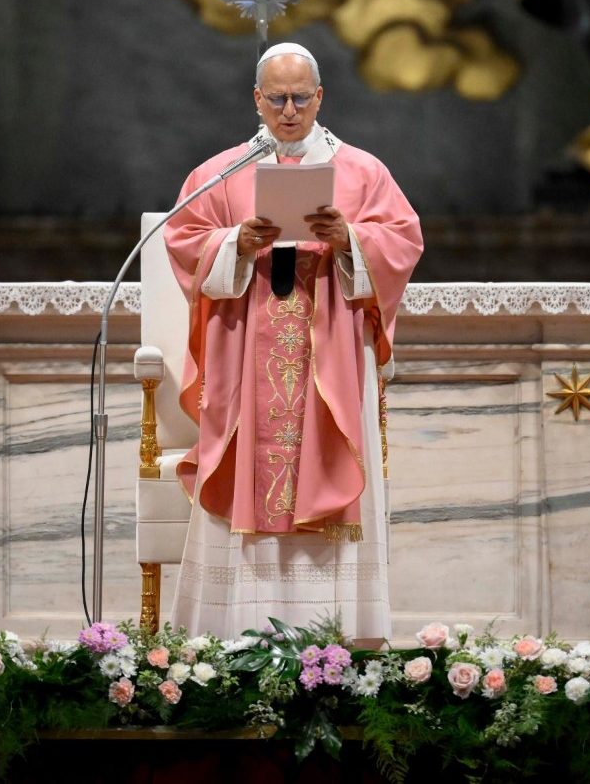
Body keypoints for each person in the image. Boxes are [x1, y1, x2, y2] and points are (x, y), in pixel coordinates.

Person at [164, 43, 423, 643]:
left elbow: (402, 242)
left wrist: (349, 239)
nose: (288, 110)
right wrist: (236, 242)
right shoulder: (222, 172)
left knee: (323, 459)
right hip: (245, 350)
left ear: (320, 97)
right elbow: (184, 240)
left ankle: (333, 634)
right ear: (256, 98)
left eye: (300, 97)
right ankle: (236, 632)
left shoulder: (362, 171)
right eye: (276, 98)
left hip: (329, 354)